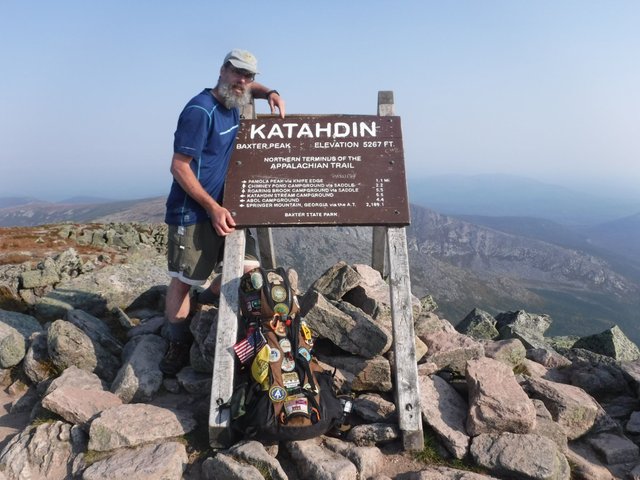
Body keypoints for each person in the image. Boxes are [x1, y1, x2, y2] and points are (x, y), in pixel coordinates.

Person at [160, 49, 285, 375]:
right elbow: (179, 167)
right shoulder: (201, 111)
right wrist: (212, 207)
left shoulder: (233, 100)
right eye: (237, 72)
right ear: (222, 70)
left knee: (249, 268)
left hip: (223, 210)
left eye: (249, 75)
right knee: (183, 281)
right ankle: (176, 343)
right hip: (194, 212)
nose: (242, 80)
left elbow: (248, 88)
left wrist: (270, 92)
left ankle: (205, 300)